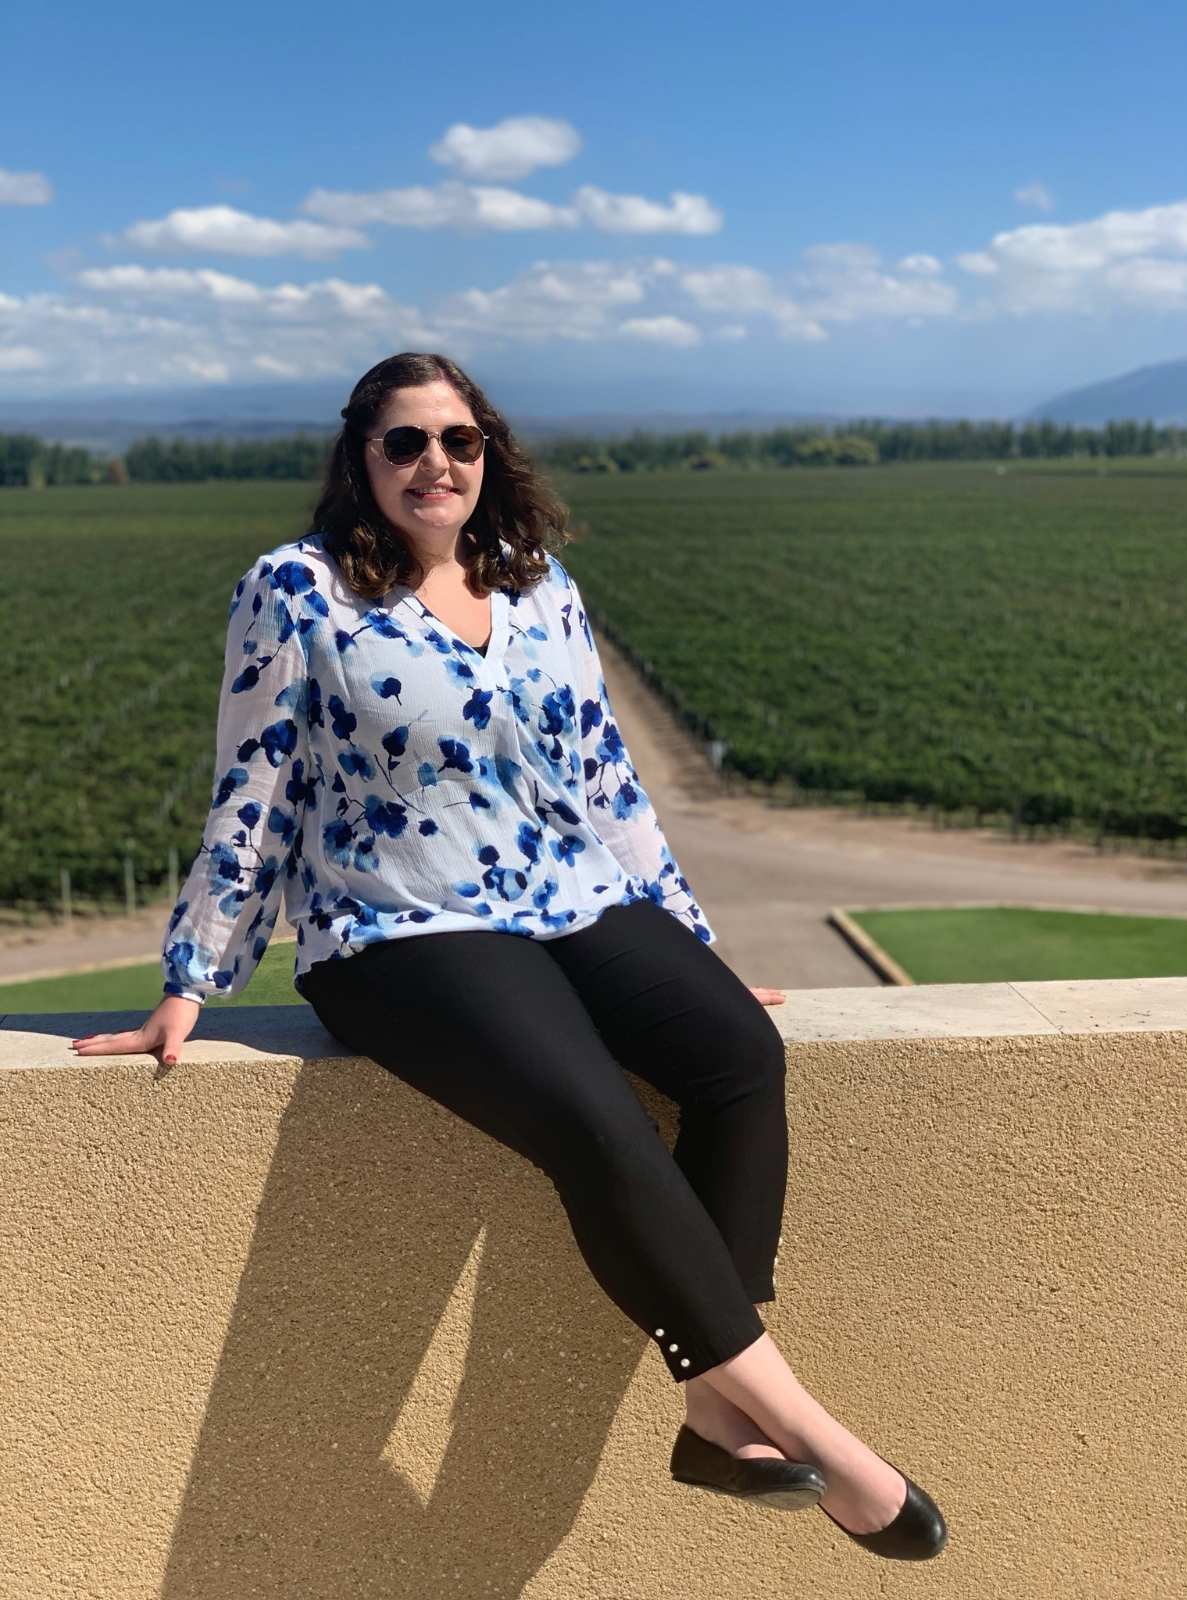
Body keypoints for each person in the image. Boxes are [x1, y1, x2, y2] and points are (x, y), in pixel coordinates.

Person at [73, 352, 946, 1560]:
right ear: (360, 460)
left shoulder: (539, 587)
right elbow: (253, 783)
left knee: (737, 1052)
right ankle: (813, 1430)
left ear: (491, 455)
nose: (438, 463)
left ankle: (709, 1405)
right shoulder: (297, 588)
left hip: (570, 896)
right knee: (594, 1117)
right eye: (406, 443)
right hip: (399, 925)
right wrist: (194, 977)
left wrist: (689, 945)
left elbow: (606, 781)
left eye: (460, 441)